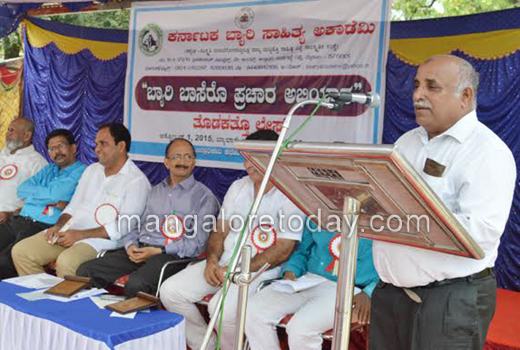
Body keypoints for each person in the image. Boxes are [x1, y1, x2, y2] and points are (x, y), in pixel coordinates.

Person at [370, 55, 517, 350]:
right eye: (416, 86)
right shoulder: (406, 143)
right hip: (391, 295)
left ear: (466, 96)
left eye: (431, 87)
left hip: (448, 300)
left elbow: (479, 234)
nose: (417, 95)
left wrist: (407, 215)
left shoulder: (487, 152)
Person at [160, 130, 305, 350]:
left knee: (221, 308)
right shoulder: (238, 187)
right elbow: (219, 232)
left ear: (274, 156)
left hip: (261, 269)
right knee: (170, 291)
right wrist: (212, 261)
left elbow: (284, 249)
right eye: (245, 157)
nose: (248, 164)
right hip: (224, 262)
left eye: (254, 157)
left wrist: (237, 271)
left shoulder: (291, 193)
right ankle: (207, 345)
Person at [76, 138, 219, 297]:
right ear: (166, 162)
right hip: (140, 249)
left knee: (137, 284)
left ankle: (130, 320)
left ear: (194, 163)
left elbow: (197, 244)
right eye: (176, 157)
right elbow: (136, 225)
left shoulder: (204, 197)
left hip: (171, 256)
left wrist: (158, 250)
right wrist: (130, 245)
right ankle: (97, 318)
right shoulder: (155, 191)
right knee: (86, 271)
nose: (182, 162)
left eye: (188, 157)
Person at [12, 123, 151, 278]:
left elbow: (123, 226)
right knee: (22, 252)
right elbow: (73, 206)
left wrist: (80, 235)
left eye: (103, 144)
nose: (97, 149)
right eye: (96, 143)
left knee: (67, 262)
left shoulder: (137, 181)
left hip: (101, 241)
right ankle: (43, 298)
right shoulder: (92, 170)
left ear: (121, 146)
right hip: (69, 231)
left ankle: (65, 301)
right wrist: (58, 226)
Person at [246, 219, 379, 350]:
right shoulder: (320, 209)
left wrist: (371, 292)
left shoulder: (379, 216)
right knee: (253, 310)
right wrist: (291, 270)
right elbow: (303, 250)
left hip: (351, 288)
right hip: (309, 280)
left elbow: (391, 264)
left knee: (300, 328)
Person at [0, 129, 86, 279]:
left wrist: (40, 196)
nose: (56, 152)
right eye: (52, 149)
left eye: (60, 146)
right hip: (19, 220)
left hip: (41, 225)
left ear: (73, 147)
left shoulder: (82, 171)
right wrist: (51, 197)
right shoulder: (49, 169)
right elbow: (22, 190)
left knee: (4, 260)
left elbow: (55, 194)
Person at [0, 117, 47, 223]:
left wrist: (11, 214)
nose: (7, 133)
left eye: (12, 130)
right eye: (8, 129)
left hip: (10, 220)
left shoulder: (38, 163)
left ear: (26, 136)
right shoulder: (1, 155)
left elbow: (40, 202)